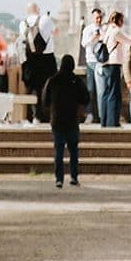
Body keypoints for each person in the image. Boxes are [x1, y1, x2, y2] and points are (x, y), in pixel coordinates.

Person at [43, 53, 88, 186]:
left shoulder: (53, 80)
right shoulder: (76, 81)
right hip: (72, 119)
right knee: (73, 150)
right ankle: (74, 176)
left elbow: (45, 100)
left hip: (57, 119)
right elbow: (85, 98)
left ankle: (59, 179)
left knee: (59, 150)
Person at [20, 4, 53, 120]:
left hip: (31, 59)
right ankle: (49, 114)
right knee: (49, 86)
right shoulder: (45, 19)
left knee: (34, 88)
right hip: (46, 58)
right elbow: (52, 32)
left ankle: (35, 115)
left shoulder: (23, 23)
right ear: (38, 9)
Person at [99, 10, 127, 127]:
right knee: (114, 94)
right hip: (113, 63)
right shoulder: (116, 31)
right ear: (119, 20)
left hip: (105, 64)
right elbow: (130, 41)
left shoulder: (107, 30)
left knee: (106, 93)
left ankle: (104, 120)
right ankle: (112, 121)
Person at [80, 6, 108, 122]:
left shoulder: (105, 29)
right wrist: (93, 39)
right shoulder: (87, 29)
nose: (98, 20)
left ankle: (103, 115)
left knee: (102, 90)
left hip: (102, 62)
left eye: (100, 18)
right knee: (90, 90)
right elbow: (84, 44)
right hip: (91, 61)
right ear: (92, 17)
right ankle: (90, 114)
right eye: (96, 18)